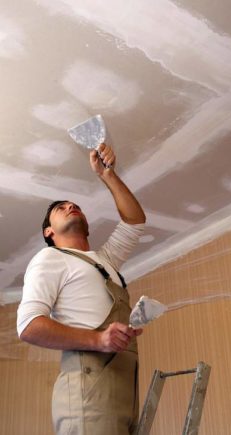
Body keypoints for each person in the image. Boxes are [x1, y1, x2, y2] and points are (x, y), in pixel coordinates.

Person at [17, 143, 147, 435]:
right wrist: (99, 340)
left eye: (74, 205)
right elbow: (28, 326)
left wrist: (107, 175)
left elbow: (135, 221)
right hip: (89, 390)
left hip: (125, 385)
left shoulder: (105, 261)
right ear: (48, 232)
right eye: (59, 209)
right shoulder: (50, 258)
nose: (70, 206)